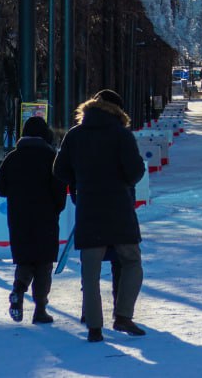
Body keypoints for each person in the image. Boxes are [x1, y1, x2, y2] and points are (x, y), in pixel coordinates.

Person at [53, 90, 146, 343]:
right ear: (117, 110)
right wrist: (122, 182)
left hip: (89, 208)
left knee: (90, 272)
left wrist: (79, 182)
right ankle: (123, 315)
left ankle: (94, 327)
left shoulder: (75, 135)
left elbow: (59, 170)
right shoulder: (121, 134)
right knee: (131, 262)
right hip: (119, 208)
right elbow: (135, 171)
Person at [0, 116, 67, 325]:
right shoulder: (51, 157)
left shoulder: (13, 157)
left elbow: (0, 188)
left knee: (25, 259)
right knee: (43, 263)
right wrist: (54, 208)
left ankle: (18, 290)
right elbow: (59, 191)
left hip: (19, 219)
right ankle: (40, 309)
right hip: (46, 218)